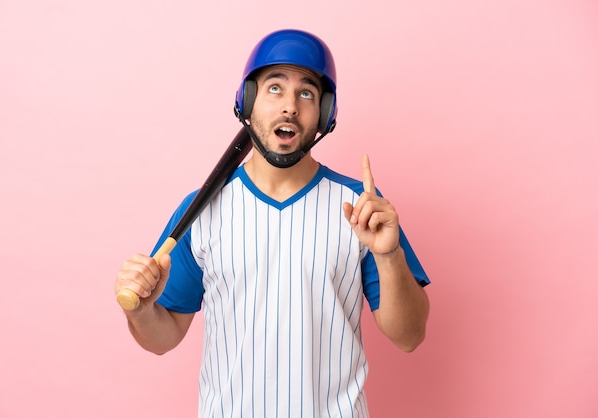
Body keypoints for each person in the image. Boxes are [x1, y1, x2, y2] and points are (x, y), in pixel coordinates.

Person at [115, 29, 430, 417]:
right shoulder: (201, 209)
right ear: (248, 102)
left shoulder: (361, 209)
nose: (290, 107)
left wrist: (389, 254)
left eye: (307, 93)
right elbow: (161, 339)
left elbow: (410, 336)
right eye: (275, 88)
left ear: (324, 114)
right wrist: (141, 311)